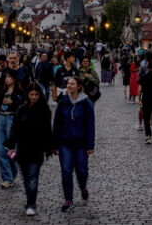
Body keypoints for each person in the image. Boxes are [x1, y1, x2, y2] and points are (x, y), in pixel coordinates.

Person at [4, 84, 53, 217]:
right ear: (28, 95)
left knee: (33, 177)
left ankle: (31, 203)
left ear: (40, 95)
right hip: (22, 148)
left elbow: (48, 130)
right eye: (31, 95)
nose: (34, 97)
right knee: (26, 177)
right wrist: (11, 144)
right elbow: (15, 127)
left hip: (37, 148)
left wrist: (50, 147)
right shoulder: (21, 109)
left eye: (36, 95)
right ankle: (30, 199)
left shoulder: (44, 110)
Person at [53, 76, 95, 212]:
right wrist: (54, 143)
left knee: (82, 170)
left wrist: (90, 145)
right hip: (65, 142)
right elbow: (56, 124)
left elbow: (90, 125)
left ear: (79, 86)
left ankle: (83, 186)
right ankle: (68, 199)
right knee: (66, 171)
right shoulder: (62, 102)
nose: (69, 86)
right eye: (68, 84)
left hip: (81, 143)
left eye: (72, 84)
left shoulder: (86, 102)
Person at [0, 69, 25, 189]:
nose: (7, 79)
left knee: (12, 150)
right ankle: (7, 178)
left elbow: (23, 107)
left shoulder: (20, 92)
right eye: (6, 77)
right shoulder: (2, 90)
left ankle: (13, 171)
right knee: (1, 150)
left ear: (14, 79)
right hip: (0, 119)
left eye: (9, 77)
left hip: (12, 120)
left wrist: (13, 102)